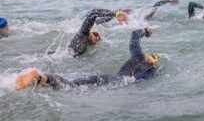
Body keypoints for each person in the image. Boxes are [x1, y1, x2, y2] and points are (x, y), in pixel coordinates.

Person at [15, 27, 161, 91]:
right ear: (152, 62)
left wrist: (145, 31)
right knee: (70, 88)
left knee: (72, 84)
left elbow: (134, 35)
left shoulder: (137, 54)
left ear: (147, 56)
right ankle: (39, 79)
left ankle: (41, 77)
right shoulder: (149, 71)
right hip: (118, 83)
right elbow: (138, 81)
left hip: (107, 78)